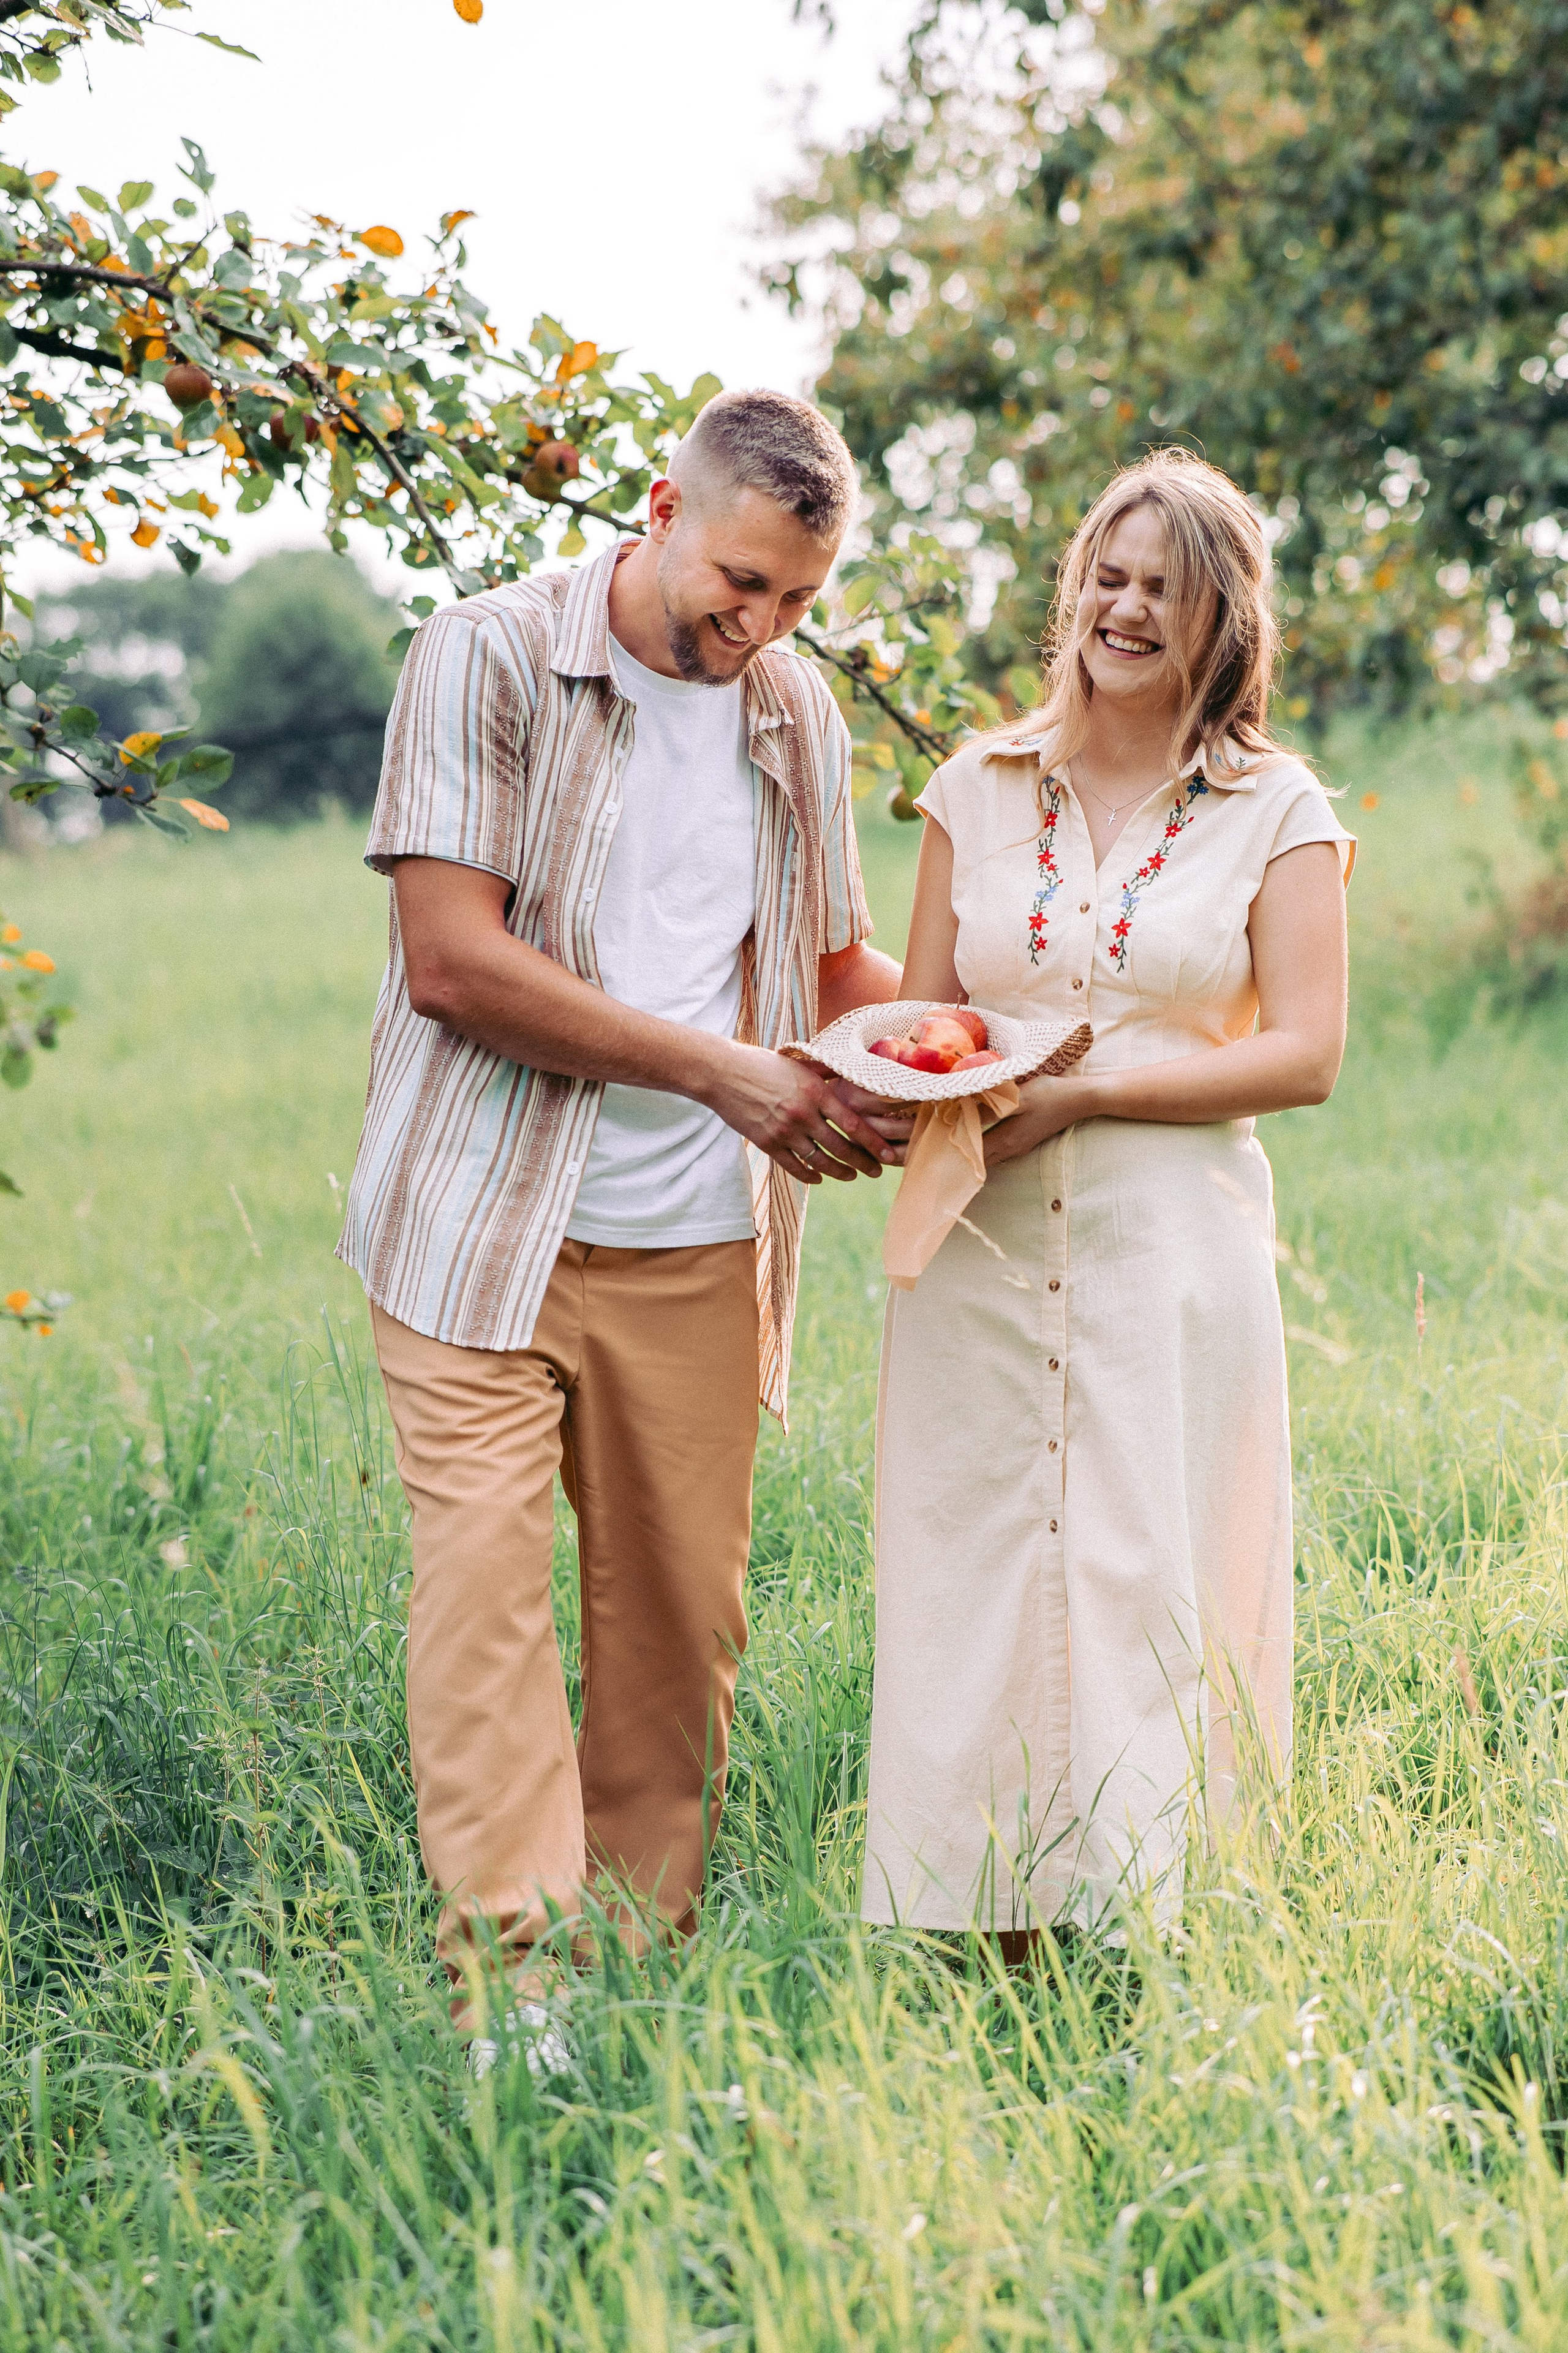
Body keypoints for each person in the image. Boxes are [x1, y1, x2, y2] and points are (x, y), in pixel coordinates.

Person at [338, 388, 901, 2060]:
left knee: (676, 1632)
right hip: (478, 1226)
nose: (763, 626)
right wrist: (734, 1076)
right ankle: (514, 1996)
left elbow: (836, 968)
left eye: (801, 598)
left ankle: (635, 1982)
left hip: (696, 1245)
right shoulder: (485, 657)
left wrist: (986, 1047)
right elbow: (454, 961)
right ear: (660, 509)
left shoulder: (795, 715)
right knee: (487, 1595)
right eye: (741, 581)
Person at [850, 448, 1354, 1944]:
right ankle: (972, 1920)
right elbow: (924, 1021)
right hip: (983, 1245)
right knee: (974, 1571)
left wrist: (1086, 1090)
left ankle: (1150, 1926)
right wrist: (896, 1081)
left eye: (1164, 589)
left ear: (1222, 624)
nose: (1123, 609)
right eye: (1106, 578)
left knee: (1151, 1568)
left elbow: (1304, 1053)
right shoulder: (974, 789)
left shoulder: (1278, 808)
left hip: (1169, 1249)